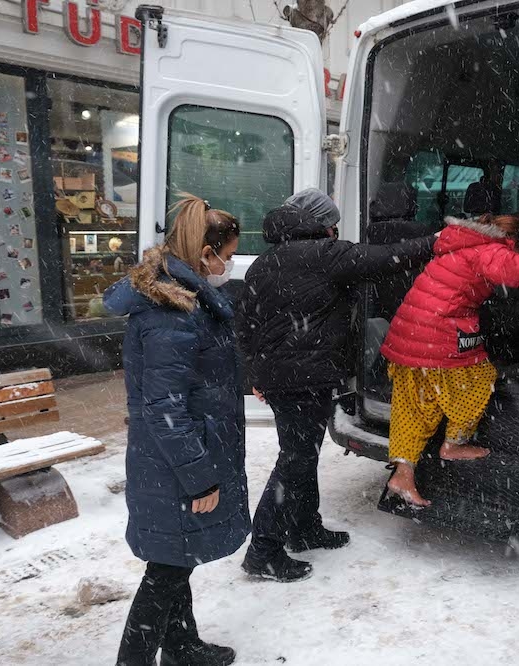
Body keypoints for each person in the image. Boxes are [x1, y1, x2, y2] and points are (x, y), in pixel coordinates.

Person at [236, 188, 434, 582]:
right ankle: (263, 551)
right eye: (332, 222)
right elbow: (387, 257)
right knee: (295, 460)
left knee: (301, 455)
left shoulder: (264, 261)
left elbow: (246, 324)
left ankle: (304, 528)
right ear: (320, 223)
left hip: (284, 377)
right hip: (304, 376)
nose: (335, 229)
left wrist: (257, 374)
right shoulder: (324, 254)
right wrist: (438, 241)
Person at [104, 194, 247, 666]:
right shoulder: (173, 312)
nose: (228, 266)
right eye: (227, 256)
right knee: (166, 569)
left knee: (176, 556)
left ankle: (182, 645)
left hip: (175, 455)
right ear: (205, 253)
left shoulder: (181, 301)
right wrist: (199, 477)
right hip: (175, 461)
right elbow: (165, 406)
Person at [379, 214, 519, 506]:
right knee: (477, 381)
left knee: (413, 407)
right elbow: (515, 271)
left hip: (407, 335)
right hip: (437, 335)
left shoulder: (462, 244)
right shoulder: (490, 249)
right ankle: (454, 444)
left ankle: (403, 474)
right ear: (512, 240)